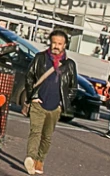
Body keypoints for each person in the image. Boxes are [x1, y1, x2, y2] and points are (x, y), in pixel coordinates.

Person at [24, 29, 79, 175]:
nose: (56, 46)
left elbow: (73, 88)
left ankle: (39, 160)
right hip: (38, 103)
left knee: (47, 136)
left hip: (55, 107)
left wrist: (63, 102)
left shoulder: (69, 65)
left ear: (65, 45)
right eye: (54, 43)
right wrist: (32, 96)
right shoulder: (40, 58)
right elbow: (29, 78)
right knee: (35, 132)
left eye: (59, 44)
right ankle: (30, 157)